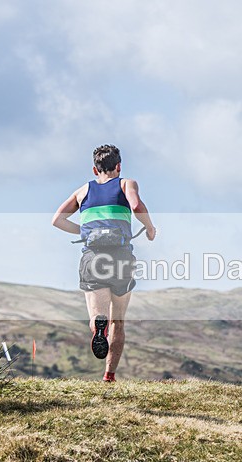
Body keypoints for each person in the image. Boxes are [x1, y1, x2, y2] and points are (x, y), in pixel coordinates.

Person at [52, 145, 157, 382]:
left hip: (93, 256)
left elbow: (57, 220)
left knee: (98, 315)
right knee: (118, 320)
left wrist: (87, 231)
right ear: (118, 167)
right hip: (121, 256)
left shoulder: (83, 190)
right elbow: (137, 205)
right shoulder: (125, 183)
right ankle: (109, 375)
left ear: (94, 168)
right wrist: (149, 229)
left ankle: (98, 324)